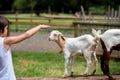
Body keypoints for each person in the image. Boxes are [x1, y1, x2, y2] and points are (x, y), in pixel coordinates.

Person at [0, 15, 50, 80]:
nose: (7, 30)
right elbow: (26, 35)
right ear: (1, 30)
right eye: (6, 28)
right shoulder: (5, 41)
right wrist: (39, 26)